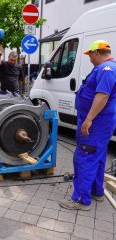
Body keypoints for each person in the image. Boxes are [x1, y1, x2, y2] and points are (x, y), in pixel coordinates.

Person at [59, 40, 116, 211]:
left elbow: (102, 96)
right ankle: (96, 191)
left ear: (96, 52)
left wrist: (89, 118)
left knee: (84, 159)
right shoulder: (106, 68)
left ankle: (81, 200)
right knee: (97, 157)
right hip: (101, 124)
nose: (89, 58)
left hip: (96, 124)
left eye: (90, 55)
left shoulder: (107, 70)